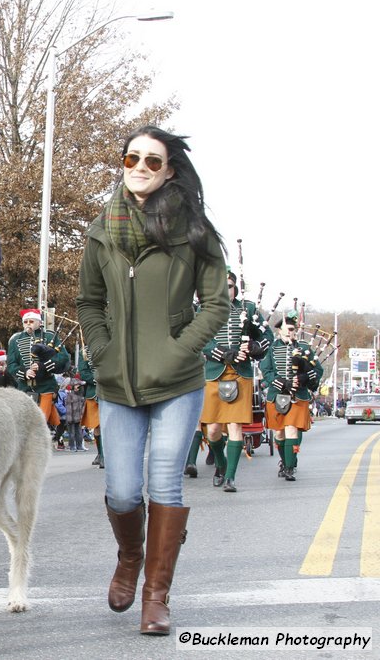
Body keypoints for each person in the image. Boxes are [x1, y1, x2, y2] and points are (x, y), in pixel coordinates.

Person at [76, 126, 229, 636]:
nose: (140, 166)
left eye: (153, 160)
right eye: (132, 157)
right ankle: (130, 556)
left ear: (169, 170)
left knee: (164, 481)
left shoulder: (194, 231)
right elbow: (88, 303)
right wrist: (101, 351)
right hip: (118, 382)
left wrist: (181, 349)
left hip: (178, 382)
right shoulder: (101, 231)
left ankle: (156, 595)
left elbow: (217, 304)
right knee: (121, 491)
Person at [199, 270, 271, 492]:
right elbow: (200, 340)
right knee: (212, 431)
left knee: (235, 427)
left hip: (240, 374)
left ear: (235, 289)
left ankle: (230, 477)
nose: (226, 290)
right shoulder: (206, 310)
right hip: (213, 373)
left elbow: (267, 337)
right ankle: (220, 465)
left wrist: (254, 348)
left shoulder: (248, 309)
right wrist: (222, 354)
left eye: (230, 286)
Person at [259, 311, 323, 481]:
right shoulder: (272, 348)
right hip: (277, 395)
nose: (289, 332)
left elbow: (318, 370)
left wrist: (304, 377)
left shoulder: (303, 348)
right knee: (279, 434)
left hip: (298, 395)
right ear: (279, 331)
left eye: (292, 329)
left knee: (291, 429)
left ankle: (289, 468)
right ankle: (285, 460)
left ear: (295, 330)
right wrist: (280, 382)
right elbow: (266, 370)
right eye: (286, 329)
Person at [6, 309, 70, 429]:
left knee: (40, 422)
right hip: (25, 387)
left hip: (46, 386)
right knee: (25, 421)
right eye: (25, 322)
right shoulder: (15, 340)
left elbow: (63, 357)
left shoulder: (50, 336)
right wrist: (25, 372)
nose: (28, 324)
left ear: (39, 323)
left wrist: (44, 366)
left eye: (31, 321)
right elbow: (11, 364)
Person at [79, 348, 104, 468]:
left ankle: (107, 454)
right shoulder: (85, 351)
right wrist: (99, 379)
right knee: (97, 425)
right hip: (93, 393)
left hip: (111, 390)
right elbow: (84, 373)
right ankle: (101, 454)